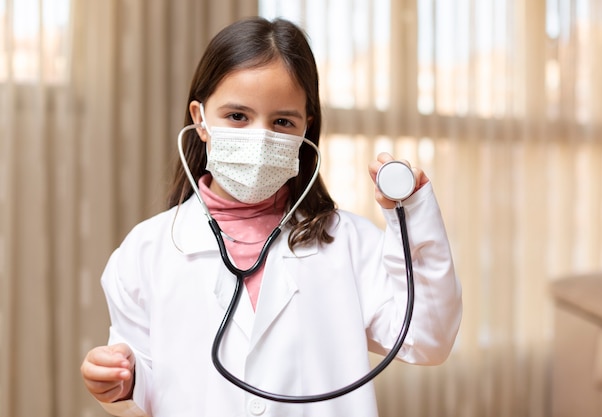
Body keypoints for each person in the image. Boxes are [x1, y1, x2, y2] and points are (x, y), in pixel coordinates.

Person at [80, 16, 462, 417]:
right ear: (200, 118)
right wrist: (117, 383)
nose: (260, 138)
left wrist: (413, 215)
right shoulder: (146, 251)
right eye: (237, 116)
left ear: (305, 128)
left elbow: (428, 339)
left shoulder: (349, 243)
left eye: (282, 122)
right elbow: (142, 380)